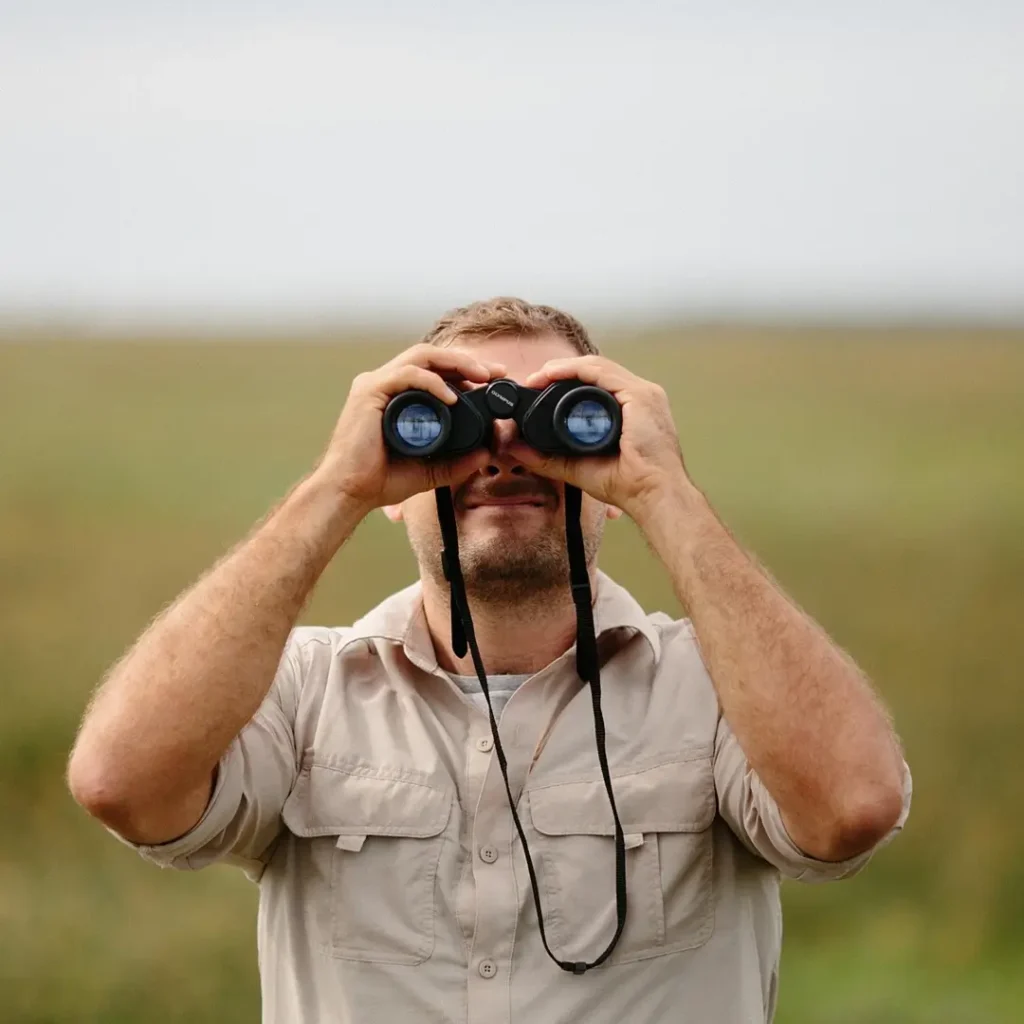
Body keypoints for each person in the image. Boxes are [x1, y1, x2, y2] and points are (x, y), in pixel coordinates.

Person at [68, 297, 911, 1024]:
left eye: (557, 419)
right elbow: (123, 784)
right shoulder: (305, 690)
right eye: (458, 419)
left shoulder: (717, 689)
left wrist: (667, 493)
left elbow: (851, 809)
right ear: (397, 493)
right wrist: (337, 489)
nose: (504, 454)